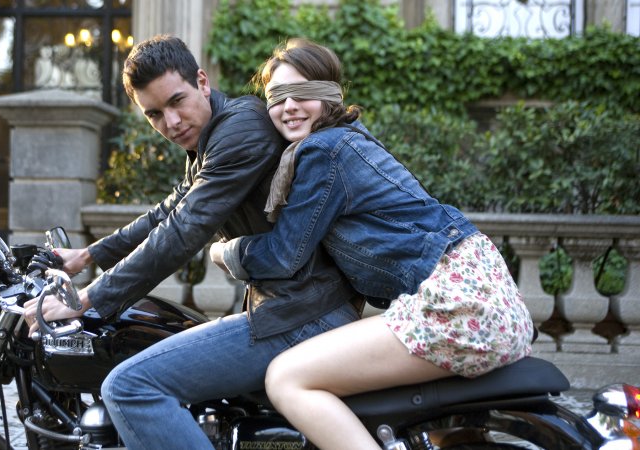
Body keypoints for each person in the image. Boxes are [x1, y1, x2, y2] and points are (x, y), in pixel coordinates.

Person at [23, 35, 361, 449]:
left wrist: (87, 298)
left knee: (130, 387)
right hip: (295, 308)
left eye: (177, 101)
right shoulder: (212, 136)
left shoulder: (243, 129)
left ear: (202, 81)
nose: (171, 122)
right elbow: (168, 211)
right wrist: (88, 255)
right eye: (154, 114)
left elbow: (185, 228)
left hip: (305, 314)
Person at [209, 38, 535, 450]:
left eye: (302, 92)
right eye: (277, 96)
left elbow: (284, 255)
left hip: (457, 304)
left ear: (330, 95)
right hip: (479, 297)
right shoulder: (344, 140)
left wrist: (224, 251)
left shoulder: (323, 150)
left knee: (287, 378)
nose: (289, 106)